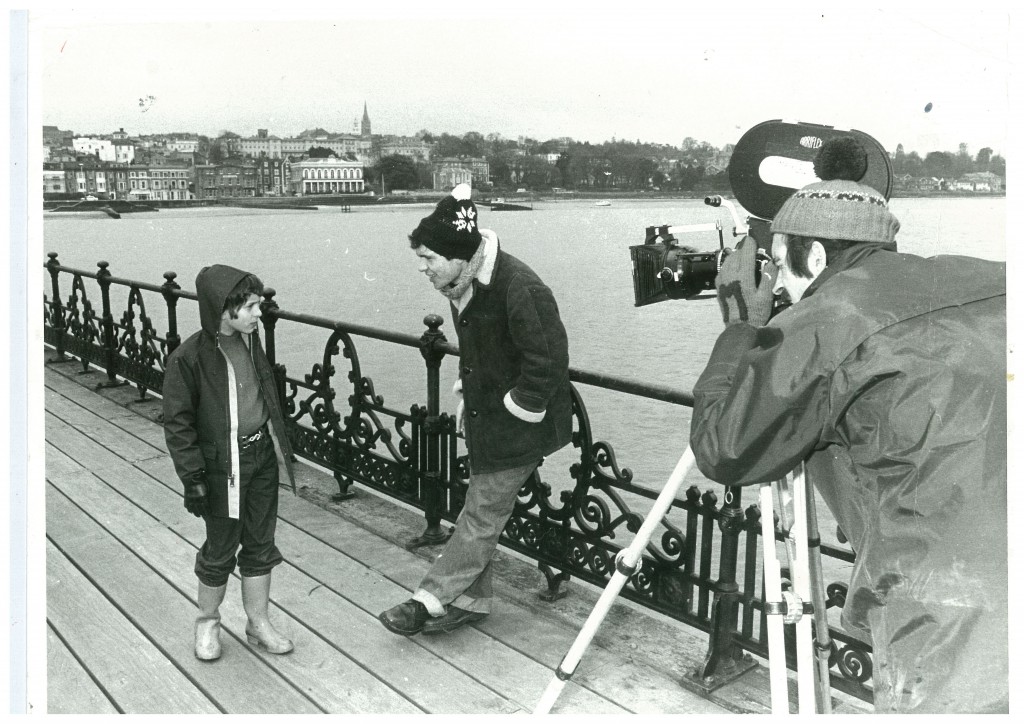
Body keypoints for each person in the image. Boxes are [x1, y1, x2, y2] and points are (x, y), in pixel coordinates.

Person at [689, 137, 1007, 713]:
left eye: (778, 269)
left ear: (813, 259)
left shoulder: (829, 318)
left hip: (949, 613)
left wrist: (741, 326)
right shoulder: (988, 277)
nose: (779, 290)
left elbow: (724, 449)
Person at [378, 183, 573, 636]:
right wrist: (470, 392)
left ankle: (428, 600)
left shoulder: (519, 286)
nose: (422, 268)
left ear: (459, 255)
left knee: (482, 512)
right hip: (488, 416)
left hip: (521, 424)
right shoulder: (464, 280)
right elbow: (483, 351)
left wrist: (512, 409)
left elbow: (548, 361)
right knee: (478, 507)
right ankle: (471, 601)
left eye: (428, 258)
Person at [163, 265, 297, 661]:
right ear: (225, 309)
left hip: (260, 459)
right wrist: (193, 478)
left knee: (260, 542)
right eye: (252, 306)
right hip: (224, 467)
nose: (261, 313)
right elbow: (178, 423)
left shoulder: (251, 342)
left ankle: (258, 623)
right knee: (220, 546)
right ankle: (207, 623)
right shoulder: (188, 359)